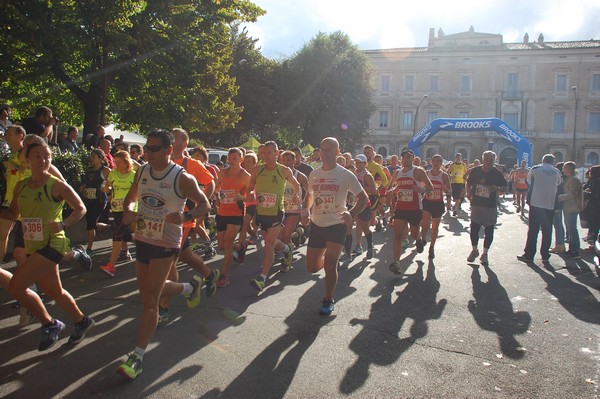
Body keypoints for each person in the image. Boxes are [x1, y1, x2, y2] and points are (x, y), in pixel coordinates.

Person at [116, 129, 210, 380]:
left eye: (154, 149)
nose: (148, 153)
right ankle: (189, 288)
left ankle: (137, 357)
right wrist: (129, 210)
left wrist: (186, 216)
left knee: (150, 298)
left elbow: (205, 204)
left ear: (169, 150)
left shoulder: (182, 178)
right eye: (147, 148)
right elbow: (131, 198)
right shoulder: (143, 170)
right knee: (145, 290)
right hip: (144, 236)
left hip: (167, 241)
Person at [1, 140, 95, 351]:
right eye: (37, 156)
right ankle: (82, 321)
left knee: (16, 286)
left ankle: (50, 324)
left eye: (47, 156)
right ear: (27, 158)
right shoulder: (21, 186)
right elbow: (13, 214)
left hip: (54, 243)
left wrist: (64, 223)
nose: (43, 160)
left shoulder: (56, 185)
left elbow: (80, 208)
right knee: (54, 290)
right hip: (34, 244)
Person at [157, 128, 219, 323]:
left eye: (174, 139)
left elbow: (210, 183)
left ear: (184, 143)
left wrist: (201, 208)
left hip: (182, 221)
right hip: (161, 219)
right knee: (184, 254)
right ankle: (210, 275)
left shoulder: (193, 164)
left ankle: (163, 309)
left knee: (169, 262)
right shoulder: (161, 162)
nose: (170, 141)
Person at [303, 137, 367, 315]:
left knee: (331, 265)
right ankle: (331, 263)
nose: (324, 152)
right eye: (322, 149)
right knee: (312, 268)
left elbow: (363, 198)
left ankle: (328, 298)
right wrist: (305, 211)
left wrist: (351, 213)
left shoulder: (345, 174)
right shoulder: (314, 174)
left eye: (329, 149)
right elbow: (309, 195)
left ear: (337, 152)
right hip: (317, 224)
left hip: (337, 224)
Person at [248, 141, 300, 291]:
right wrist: (250, 194)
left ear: (277, 154)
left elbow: (296, 184)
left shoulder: (283, 171)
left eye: (269, 153)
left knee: (269, 244)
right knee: (269, 240)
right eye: (263, 153)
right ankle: (286, 249)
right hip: (261, 211)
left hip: (277, 212)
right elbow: (251, 187)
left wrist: (295, 196)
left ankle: (262, 278)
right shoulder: (257, 170)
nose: (265, 156)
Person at [388, 149, 433, 274]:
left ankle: (418, 240)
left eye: (409, 157)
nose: (406, 159)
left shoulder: (418, 171)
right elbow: (397, 186)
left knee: (413, 234)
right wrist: (393, 190)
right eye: (404, 157)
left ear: (413, 159)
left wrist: (420, 189)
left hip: (415, 209)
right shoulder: (398, 173)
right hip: (401, 207)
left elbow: (430, 187)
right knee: (397, 235)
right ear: (401, 159)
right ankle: (396, 262)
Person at [214, 148, 251, 287]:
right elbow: (217, 187)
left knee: (228, 243)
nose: (231, 161)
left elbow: (253, 194)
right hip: (222, 212)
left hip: (236, 212)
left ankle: (224, 275)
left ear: (241, 160)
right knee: (221, 246)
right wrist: (216, 196)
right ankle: (240, 247)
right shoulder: (223, 172)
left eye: (235, 158)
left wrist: (243, 197)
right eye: (230, 158)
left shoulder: (245, 175)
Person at [517, 154, 561, 263]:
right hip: (549, 204)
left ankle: (529, 254)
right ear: (553, 161)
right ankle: (545, 255)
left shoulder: (536, 169)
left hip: (536, 203)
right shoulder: (556, 172)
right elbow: (559, 184)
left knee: (533, 230)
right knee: (547, 231)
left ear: (542, 160)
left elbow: (529, 182)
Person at [99, 150, 137, 277]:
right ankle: (138, 245)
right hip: (116, 207)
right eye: (115, 162)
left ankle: (111, 266)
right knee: (124, 234)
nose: (117, 165)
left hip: (130, 209)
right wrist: (106, 189)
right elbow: (108, 186)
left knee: (117, 234)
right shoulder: (113, 174)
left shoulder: (133, 175)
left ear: (127, 162)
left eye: (120, 162)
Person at [466, 151, 508, 266]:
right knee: (474, 229)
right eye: (486, 159)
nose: (488, 162)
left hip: (490, 206)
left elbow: (505, 187)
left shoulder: (497, 173)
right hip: (476, 204)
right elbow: (468, 182)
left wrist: (497, 188)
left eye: (491, 160)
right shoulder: (475, 170)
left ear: (494, 161)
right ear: (482, 159)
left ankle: (485, 254)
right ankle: (474, 250)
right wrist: (468, 193)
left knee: (489, 231)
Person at [277, 150, 309, 271]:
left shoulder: (300, 176)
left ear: (294, 160)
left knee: (285, 237)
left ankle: (287, 260)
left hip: (294, 210)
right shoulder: (278, 174)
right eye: (284, 160)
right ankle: (298, 233)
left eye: (289, 160)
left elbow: (310, 192)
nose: (286, 163)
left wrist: (304, 207)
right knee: (279, 238)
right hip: (280, 209)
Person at [79, 149, 110, 256]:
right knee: (91, 221)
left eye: (94, 157)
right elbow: (85, 182)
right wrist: (83, 187)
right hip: (88, 199)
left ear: (100, 159)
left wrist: (106, 188)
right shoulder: (88, 169)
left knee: (90, 223)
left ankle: (89, 248)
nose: (91, 159)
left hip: (100, 200)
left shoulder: (105, 170)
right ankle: (103, 226)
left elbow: (110, 184)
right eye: (91, 157)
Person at [420, 154, 451, 259]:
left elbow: (450, 191)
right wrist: (425, 190)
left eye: (439, 161)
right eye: (435, 161)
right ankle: (423, 239)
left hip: (438, 203)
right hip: (427, 202)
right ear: (431, 162)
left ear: (441, 163)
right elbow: (421, 187)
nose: (436, 163)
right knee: (424, 226)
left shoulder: (444, 175)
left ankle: (432, 247)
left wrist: (445, 189)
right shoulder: (426, 174)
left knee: (435, 227)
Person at [348, 154, 376, 259]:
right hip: (352, 203)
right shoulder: (353, 173)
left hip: (364, 204)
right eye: (356, 162)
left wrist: (362, 188)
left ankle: (369, 245)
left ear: (365, 164)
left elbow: (374, 190)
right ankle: (354, 248)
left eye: (360, 162)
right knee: (349, 226)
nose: (357, 164)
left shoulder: (367, 175)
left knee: (364, 227)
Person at [559, 161, 583, 259]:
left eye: (564, 168)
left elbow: (572, 194)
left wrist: (559, 197)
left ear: (569, 169)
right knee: (570, 229)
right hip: (568, 207)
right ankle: (572, 249)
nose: (562, 170)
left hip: (572, 207)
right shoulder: (570, 179)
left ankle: (575, 250)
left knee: (572, 229)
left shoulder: (574, 179)